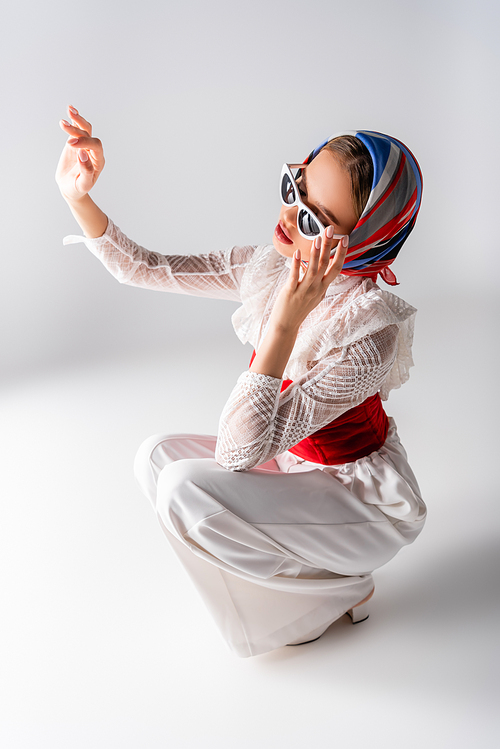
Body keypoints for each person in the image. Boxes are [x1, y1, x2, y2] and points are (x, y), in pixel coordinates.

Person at [56, 106, 427, 657]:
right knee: (155, 458)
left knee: (185, 491)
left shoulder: (369, 331)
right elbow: (147, 267)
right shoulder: (269, 267)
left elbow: (236, 453)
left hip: (360, 507)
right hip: (295, 467)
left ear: (361, 242)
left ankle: (339, 587)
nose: (286, 214)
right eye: (293, 183)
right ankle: (310, 586)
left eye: (312, 219)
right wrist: (77, 196)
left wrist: (284, 323)